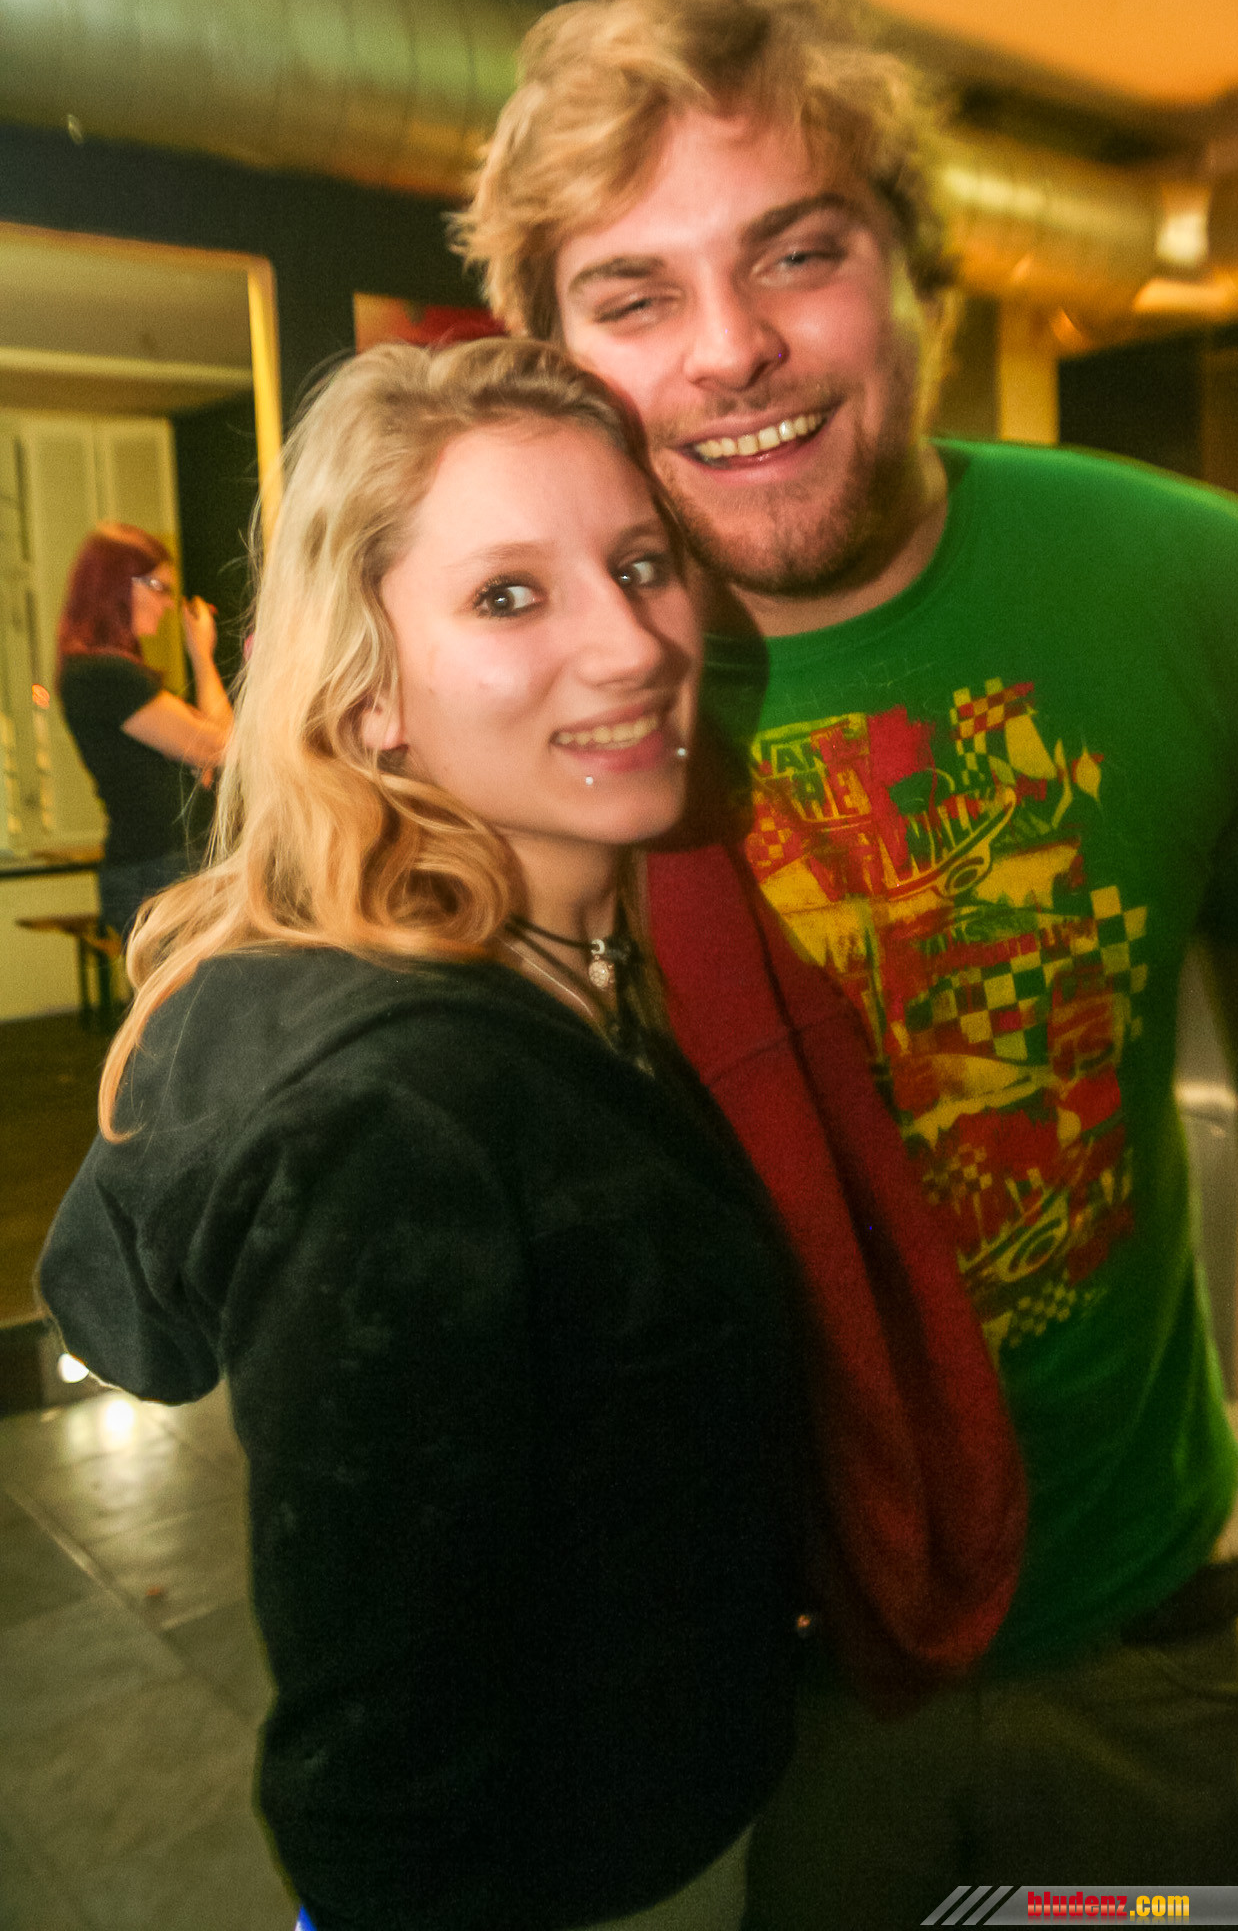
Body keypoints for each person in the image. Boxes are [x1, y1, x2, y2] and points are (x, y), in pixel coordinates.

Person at [460, 0, 1238, 1920]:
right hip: (726, 1685)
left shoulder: (1214, 595)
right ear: (552, 362)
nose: (731, 349)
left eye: (798, 252)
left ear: (917, 271)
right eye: (633, 295)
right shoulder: (498, 702)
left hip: (1133, 1639)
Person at [39, 338, 811, 1931]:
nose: (632, 645)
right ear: (369, 694)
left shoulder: (577, 977)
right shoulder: (401, 1121)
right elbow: (376, 1763)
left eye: (641, 565)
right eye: (508, 596)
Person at [55, 523, 233, 937]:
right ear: (117, 584)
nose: (167, 603)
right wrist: (202, 657)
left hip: (159, 869)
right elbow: (220, 746)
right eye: (158, 587)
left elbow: (215, 743)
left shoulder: (107, 674)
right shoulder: (103, 674)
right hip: (155, 873)